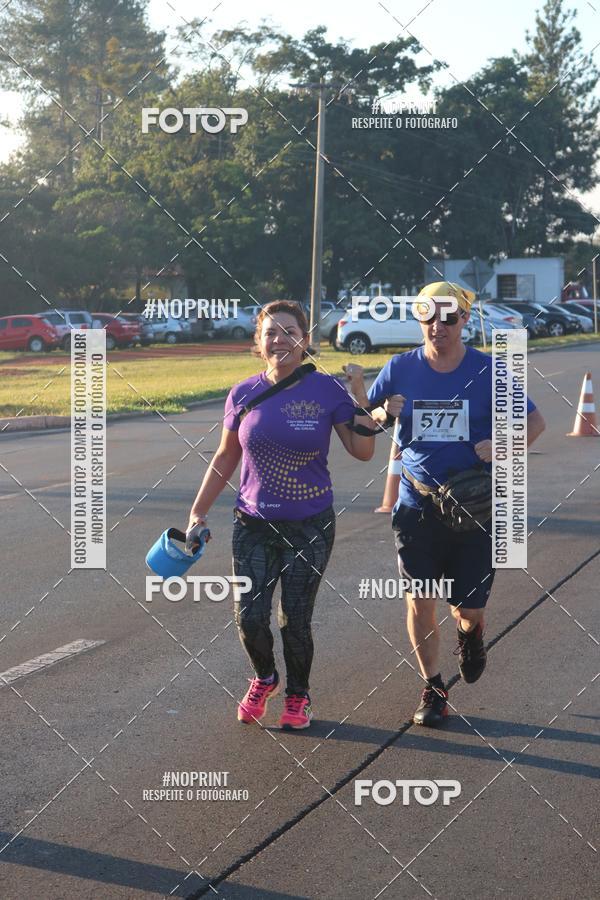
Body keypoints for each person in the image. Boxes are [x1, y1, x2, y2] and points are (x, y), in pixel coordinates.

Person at [186, 301, 378, 729]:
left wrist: (361, 397)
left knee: (295, 618)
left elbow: (363, 451)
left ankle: (298, 696)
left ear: (304, 340)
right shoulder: (242, 393)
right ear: (258, 342)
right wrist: (197, 513)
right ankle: (265, 677)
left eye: (289, 331)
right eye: (270, 332)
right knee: (249, 616)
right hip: (253, 523)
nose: (280, 340)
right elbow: (224, 457)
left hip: (310, 524)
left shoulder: (328, 389)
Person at [363, 282, 546, 727]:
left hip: (475, 509)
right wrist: (385, 413)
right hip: (417, 506)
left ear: (465, 320)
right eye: (429, 315)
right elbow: (365, 420)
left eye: (448, 317)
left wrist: (500, 445)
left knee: (468, 609)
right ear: (419, 318)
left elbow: (535, 422)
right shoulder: (399, 368)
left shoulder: (489, 370)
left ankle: (471, 634)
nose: (438, 326)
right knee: (419, 599)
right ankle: (433, 686)